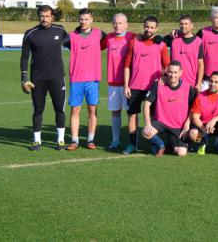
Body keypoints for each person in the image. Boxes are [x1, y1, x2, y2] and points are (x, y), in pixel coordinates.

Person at [20, 5, 69, 151]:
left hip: (57, 77)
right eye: (42, 16)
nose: (44, 19)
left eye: (47, 16)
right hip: (37, 79)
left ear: (52, 17)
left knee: (60, 109)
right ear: (38, 16)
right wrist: (24, 78)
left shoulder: (60, 31)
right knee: (38, 110)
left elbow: (75, 46)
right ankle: (36, 142)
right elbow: (24, 57)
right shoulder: (30, 34)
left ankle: (60, 141)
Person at [123, 16, 170, 154]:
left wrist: (162, 76)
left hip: (153, 87)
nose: (148, 30)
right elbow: (127, 65)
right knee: (132, 115)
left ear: (156, 29)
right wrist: (126, 85)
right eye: (146, 27)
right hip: (135, 86)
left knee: (157, 117)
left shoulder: (160, 45)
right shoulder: (134, 42)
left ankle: (157, 144)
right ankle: (132, 144)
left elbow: (167, 66)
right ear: (143, 26)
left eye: (151, 27)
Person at [66, 8, 107, 151]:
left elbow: (112, 40)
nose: (83, 22)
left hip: (92, 79)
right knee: (75, 109)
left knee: (92, 109)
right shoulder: (71, 36)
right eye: (81, 19)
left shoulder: (99, 34)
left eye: (86, 19)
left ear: (91, 20)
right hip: (76, 78)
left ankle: (90, 139)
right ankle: (74, 140)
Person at [142, 61, 198, 157]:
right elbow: (146, 104)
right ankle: (161, 145)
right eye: (170, 72)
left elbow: (195, 108)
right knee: (146, 132)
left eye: (175, 72)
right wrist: (148, 124)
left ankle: (169, 144)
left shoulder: (188, 88)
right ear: (167, 72)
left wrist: (187, 123)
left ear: (181, 73)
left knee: (181, 153)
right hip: (161, 122)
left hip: (178, 126)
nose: (172, 75)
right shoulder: (158, 85)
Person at [183, 72, 218, 157]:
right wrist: (204, 130)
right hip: (202, 125)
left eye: (216, 82)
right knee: (193, 134)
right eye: (211, 81)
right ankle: (201, 144)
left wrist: (215, 119)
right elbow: (195, 117)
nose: (212, 84)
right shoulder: (200, 96)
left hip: (217, 125)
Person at [104, 13, 136, 150]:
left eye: (120, 23)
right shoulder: (108, 38)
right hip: (113, 83)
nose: (117, 25)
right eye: (115, 23)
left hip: (128, 84)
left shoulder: (132, 37)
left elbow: (150, 37)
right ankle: (115, 140)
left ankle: (132, 142)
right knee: (115, 112)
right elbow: (94, 44)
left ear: (126, 24)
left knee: (130, 114)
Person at [164, 14, 204, 89]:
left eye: (186, 24)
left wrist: (199, 83)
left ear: (191, 25)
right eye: (181, 24)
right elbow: (157, 42)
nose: (183, 26)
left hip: (192, 83)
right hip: (173, 81)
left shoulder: (198, 42)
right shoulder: (173, 38)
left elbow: (200, 64)